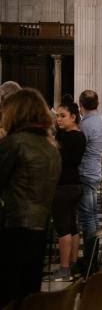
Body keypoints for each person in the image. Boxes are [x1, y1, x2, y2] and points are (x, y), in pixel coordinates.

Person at [0, 88, 61, 307]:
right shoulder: (50, 147)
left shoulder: (15, 143)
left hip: (12, 228)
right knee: (27, 295)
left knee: (9, 294)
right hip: (39, 228)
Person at [49, 101, 86, 281]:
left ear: (73, 117)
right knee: (72, 225)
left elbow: (58, 161)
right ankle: (72, 264)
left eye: (63, 116)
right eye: (57, 116)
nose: (59, 119)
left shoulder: (68, 137)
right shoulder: (78, 134)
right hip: (75, 185)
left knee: (63, 228)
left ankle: (64, 268)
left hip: (63, 186)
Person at [78, 90, 102, 271]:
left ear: (81, 106)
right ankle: (93, 255)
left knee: (88, 218)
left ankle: (90, 259)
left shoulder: (86, 125)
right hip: (94, 170)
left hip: (86, 172)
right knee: (93, 216)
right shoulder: (100, 121)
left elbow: (79, 148)